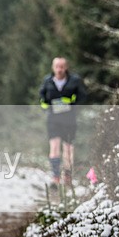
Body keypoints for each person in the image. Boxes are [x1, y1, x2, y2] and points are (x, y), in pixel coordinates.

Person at [39, 57, 87, 187]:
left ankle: (67, 176)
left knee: (68, 149)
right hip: (53, 119)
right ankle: (55, 177)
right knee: (54, 147)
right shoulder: (47, 81)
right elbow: (42, 98)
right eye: (57, 66)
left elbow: (82, 96)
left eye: (62, 67)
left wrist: (71, 103)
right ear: (53, 67)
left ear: (66, 67)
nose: (59, 69)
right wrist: (47, 108)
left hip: (69, 119)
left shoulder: (74, 81)